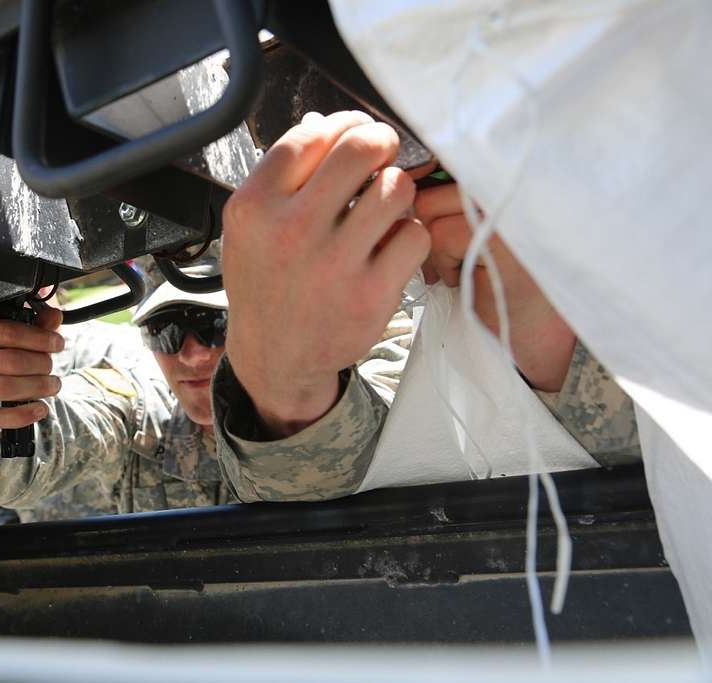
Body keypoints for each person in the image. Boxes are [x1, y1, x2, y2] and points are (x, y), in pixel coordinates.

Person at [210, 110, 640, 502]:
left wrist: (563, 352)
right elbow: (329, 499)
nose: (414, 204)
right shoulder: (383, 313)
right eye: (369, 192)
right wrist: (285, 390)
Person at [0, 265, 238, 519]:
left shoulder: (291, 423)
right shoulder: (141, 408)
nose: (192, 355)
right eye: (167, 331)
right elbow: (43, 454)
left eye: (216, 326)